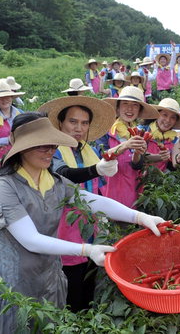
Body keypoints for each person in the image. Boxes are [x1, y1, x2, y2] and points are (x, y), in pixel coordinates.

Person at [0, 113, 165, 332]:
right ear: (20, 148)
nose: (49, 151)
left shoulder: (53, 182)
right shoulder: (1, 188)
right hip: (7, 284)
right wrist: (87, 249)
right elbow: (30, 240)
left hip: (46, 280)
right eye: (40, 146)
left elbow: (90, 200)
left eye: (52, 145)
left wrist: (139, 217)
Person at [37, 96, 118, 311]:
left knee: (88, 288)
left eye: (84, 123)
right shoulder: (51, 151)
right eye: (73, 122)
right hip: (65, 233)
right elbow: (63, 174)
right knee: (70, 292)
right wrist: (96, 170)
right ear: (61, 123)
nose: (79, 128)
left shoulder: (85, 150)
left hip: (90, 230)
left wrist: (106, 169)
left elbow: (97, 188)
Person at [98, 86, 160, 208]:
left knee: (130, 221)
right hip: (110, 187)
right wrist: (125, 145)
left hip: (132, 188)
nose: (130, 109)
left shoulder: (140, 132)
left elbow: (137, 165)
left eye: (135, 105)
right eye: (125, 103)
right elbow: (102, 156)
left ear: (139, 111)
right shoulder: (106, 130)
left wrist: (137, 153)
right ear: (118, 108)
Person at [142, 98, 180, 171]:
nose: (168, 120)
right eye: (165, 115)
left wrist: (179, 160)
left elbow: (175, 163)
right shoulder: (142, 131)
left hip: (158, 180)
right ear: (157, 115)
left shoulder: (173, 139)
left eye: (173, 117)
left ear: (176, 121)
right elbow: (137, 156)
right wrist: (159, 157)